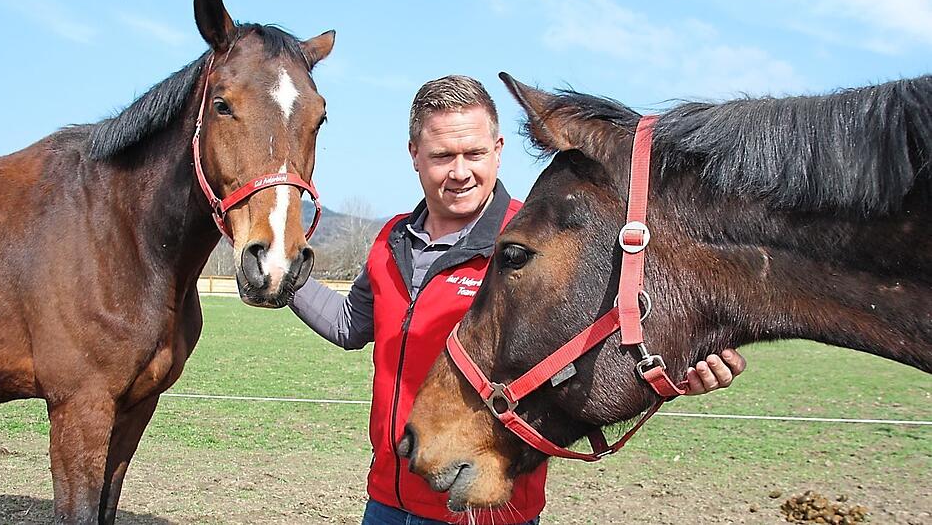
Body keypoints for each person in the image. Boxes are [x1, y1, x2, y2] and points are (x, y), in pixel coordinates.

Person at [289, 75, 747, 525]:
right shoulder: (390, 238)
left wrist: (680, 368)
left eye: (475, 153)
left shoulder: (540, 247)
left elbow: (605, 339)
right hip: (386, 501)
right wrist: (281, 271)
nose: (461, 171)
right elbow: (350, 324)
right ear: (414, 156)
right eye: (443, 156)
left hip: (485, 509)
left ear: (500, 150)